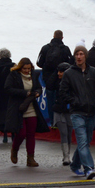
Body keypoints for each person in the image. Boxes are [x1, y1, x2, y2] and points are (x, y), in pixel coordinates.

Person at [59, 45, 95, 179]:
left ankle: (75, 165)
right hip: (77, 112)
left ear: (85, 56)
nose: (79, 56)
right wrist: (74, 101)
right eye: (77, 54)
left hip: (91, 112)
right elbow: (63, 92)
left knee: (86, 142)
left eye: (81, 54)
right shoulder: (69, 73)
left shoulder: (93, 72)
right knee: (82, 141)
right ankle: (89, 168)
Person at [37, 30, 74, 165]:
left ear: (53, 36)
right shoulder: (65, 49)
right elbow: (71, 63)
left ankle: (53, 122)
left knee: (52, 99)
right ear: (62, 37)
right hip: (65, 79)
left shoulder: (46, 48)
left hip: (49, 79)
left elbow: (39, 63)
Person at [4, 58, 42, 167]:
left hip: (31, 108)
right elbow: (7, 89)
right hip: (18, 108)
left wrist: (37, 93)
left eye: (29, 69)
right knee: (21, 133)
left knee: (31, 134)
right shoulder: (13, 75)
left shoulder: (34, 75)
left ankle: (30, 158)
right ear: (20, 68)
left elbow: (39, 87)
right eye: (24, 69)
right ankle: (14, 149)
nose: (27, 71)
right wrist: (25, 93)